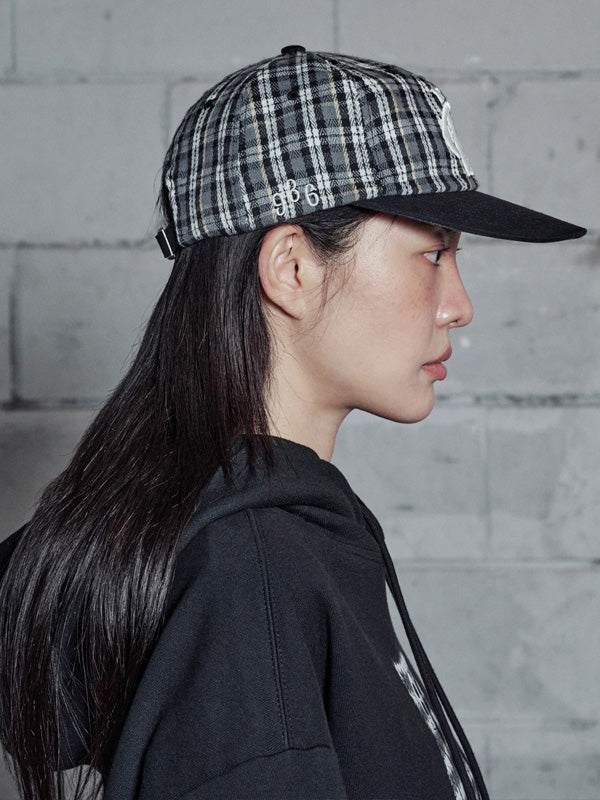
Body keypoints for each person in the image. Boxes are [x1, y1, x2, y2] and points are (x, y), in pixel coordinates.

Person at [0, 46, 586, 800]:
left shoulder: (264, 542)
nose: (459, 306)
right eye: (433, 254)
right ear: (293, 270)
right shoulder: (252, 574)